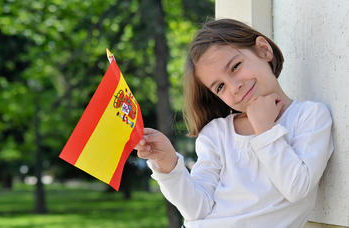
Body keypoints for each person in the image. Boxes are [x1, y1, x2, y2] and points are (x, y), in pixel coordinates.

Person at [135, 19, 334, 228]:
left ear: (264, 50)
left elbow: (297, 188)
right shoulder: (217, 134)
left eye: (236, 67)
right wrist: (168, 165)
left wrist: (265, 130)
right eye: (220, 86)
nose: (235, 86)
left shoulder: (309, 117)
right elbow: (197, 209)